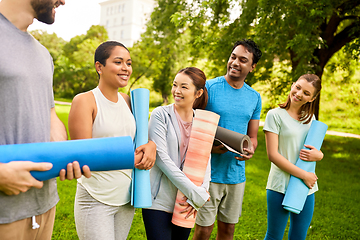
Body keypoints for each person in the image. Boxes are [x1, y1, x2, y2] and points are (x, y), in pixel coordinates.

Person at [0, 0, 91, 239]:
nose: (63, 1)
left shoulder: (42, 53)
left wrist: (63, 156)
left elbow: (50, 117)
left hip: (44, 207)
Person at [68, 41, 156, 240]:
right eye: (118, 62)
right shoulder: (85, 101)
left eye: (129, 63)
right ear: (99, 67)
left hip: (125, 198)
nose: (125, 68)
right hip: (96, 198)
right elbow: (82, 157)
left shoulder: (128, 101)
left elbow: (141, 139)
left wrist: (151, 146)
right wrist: (129, 159)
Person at [193, 39, 262, 240]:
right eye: (233, 57)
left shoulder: (254, 97)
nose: (235, 62)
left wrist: (250, 150)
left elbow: (253, 137)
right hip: (208, 174)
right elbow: (191, 126)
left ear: (252, 67)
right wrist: (210, 148)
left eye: (243, 60)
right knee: (203, 230)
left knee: (228, 231)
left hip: (236, 175)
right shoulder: (209, 88)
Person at [142, 67, 211, 240]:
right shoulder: (160, 115)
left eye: (184, 87)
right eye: (175, 85)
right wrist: (195, 192)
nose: (177, 91)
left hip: (187, 203)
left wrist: (203, 190)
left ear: (198, 93)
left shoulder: (203, 122)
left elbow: (206, 159)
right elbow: (161, 157)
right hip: (159, 201)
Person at [263, 74, 323, 240]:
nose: (299, 94)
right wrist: (304, 175)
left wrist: (320, 155)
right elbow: (273, 155)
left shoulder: (311, 119)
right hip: (280, 185)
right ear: (292, 85)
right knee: (274, 235)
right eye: (298, 87)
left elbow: (314, 151)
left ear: (312, 98)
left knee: (299, 235)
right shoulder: (274, 115)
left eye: (306, 93)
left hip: (305, 188)